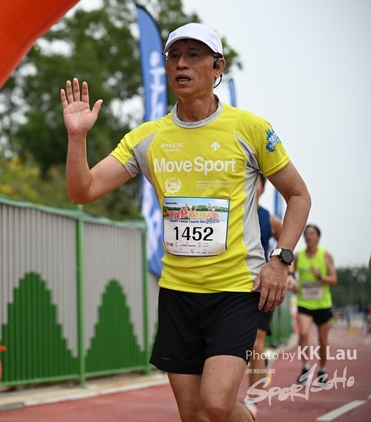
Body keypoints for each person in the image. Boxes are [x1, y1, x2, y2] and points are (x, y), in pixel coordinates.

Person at [60, 23, 311, 422]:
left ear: (217, 67)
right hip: (178, 291)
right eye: (174, 56)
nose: (181, 63)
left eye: (194, 55)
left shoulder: (250, 128)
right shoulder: (147, 138)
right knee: (193, 414)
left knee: (216, 403)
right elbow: (83, 190)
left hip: (236, 289)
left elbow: (298, 195)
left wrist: (281, 260)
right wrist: (77, 138)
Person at [242, 172, 283, 419]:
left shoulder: (271, 220)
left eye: (254, 181)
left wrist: (287, 272)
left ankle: (252, 398)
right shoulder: (232, 214)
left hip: (262, 289)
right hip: (234, 287)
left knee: (256, 343)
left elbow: (286, 248)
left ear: (263, 188)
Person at [287, 224, 337, 384]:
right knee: (303, 333)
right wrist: (292, 281)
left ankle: (322, 370)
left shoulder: (326, 255)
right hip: (305, 302)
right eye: (306, 233)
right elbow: (290, 271)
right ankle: (306, 367)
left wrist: (320, 277)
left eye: (312, 233)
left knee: (323, 340)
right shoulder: (298, 256)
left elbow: (334, 279)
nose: (308, 236)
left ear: (318, 237)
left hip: (323, 304)